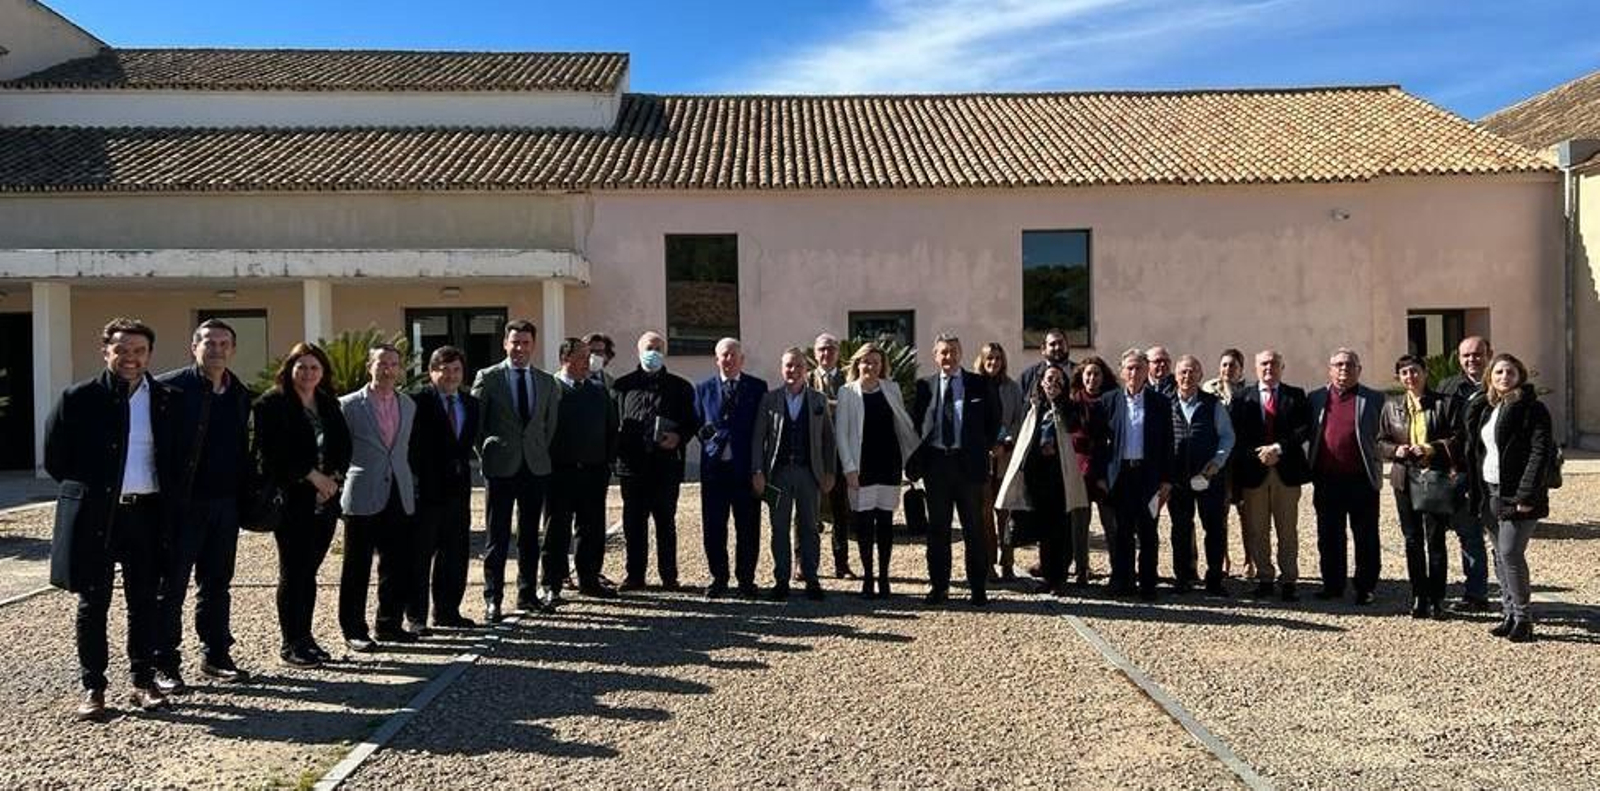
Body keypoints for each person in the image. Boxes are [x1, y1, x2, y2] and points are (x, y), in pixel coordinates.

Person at [45, 318, 182, 719]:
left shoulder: (167, 399)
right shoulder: (78, 398)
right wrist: (95, 489)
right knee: (93, 603)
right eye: (121, 350)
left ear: (149, 354)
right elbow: (56, 459)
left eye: (139, 350)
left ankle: (142, 681)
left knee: (145, 602)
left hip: (147, 515)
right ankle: (94, 687)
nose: (130, 358)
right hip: (98, 516)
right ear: (106, 351)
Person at [152, 319, 254, 692]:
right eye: (209, 343)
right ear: (193, 347)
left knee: (216, 584)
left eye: (224, 343)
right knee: (171, 586)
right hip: (182, 505)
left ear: (233, 350)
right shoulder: (169, 389)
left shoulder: (240, 392)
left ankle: (216, 655)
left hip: (225, 504)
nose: (217, 349)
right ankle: (164, 663)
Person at [253, 343, 351, 669]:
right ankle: (291, 643)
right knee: (293, 571)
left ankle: (306, 638)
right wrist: (312, 477)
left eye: (314, 367)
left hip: (326, 500)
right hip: (292, 500)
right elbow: (271, 453)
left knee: (310, 571)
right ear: (290, 369)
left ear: (323, 372)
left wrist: (333, 479)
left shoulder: (328, 403)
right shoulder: (272, 404)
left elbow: (343, 445)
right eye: (302, 367)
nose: (308, 373)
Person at [472, 320, 561, 621]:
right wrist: (488, 453)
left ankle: (527, 594)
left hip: (534, 466)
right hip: (500, 466)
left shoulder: (546, 381)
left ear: (533, 345)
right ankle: (493, 599)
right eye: (515, 342)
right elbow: (477, 424)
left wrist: (536, 450)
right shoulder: (488, 378)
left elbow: (549, 425)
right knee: (497, 537)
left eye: (525, 343)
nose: (520, 348)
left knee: (529, 535)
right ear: (505, 344)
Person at [1463, 353, 1553, 643]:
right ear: (1490, 377)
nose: (1504, 377)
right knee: (1499, 554)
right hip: (1490, 490)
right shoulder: (1489, 408)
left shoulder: (1532, 408)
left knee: (1511, 553)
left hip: (1517, 494)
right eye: (1499, 372)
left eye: (1510, 372)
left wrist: (1526, 494)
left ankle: (1524, 619)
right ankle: (1509, 613)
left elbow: (1540, 452)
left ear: (1520, 376)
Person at [338, 344, 419, 650]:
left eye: (394, 364)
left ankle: (389, 624)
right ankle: (354, 629)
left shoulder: (408, 404)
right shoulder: (348, 405)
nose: (388, 370)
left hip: (399, 490)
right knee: (357, 566)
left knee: (397, 563)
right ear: (369, 366)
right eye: (382, 363)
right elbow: (337, 450)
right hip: (362, 492)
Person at [911, 333, 1002, 606]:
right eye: (943, 352)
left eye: (953, 351)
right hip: (937, 465)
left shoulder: (979, 384)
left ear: (960, 353)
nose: (948, 356)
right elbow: (916, 424)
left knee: (973, 528)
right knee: (938, 529)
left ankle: (978, 588)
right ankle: (939, 587)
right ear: (935, 356)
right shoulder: (924, 386)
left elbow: (994, 420)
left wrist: (979, 447)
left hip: (969, 466)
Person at [1377, 354, 1462, 619]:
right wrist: (1396, 450)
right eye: (1404, 373)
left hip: (1433, 477)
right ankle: (1418, 596)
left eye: (1414, 371)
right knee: (1412, 539)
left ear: (1425, 372)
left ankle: (1437, 598)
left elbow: (1458, 438)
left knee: (1435, 539)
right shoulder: (1391, 407)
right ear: (1399, 377)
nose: (1410, 377)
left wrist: (1431, 448)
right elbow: (1380, 442)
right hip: (1404, 478)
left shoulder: (1445, 404)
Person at [612, 331, 698, 591]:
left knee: (665, 523)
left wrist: (679, 437)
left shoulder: (681, 387)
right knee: (633, 524)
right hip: (632, 468)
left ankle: (669, 576)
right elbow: (613, 423)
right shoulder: (622, 386)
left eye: (658, 348)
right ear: (639, 351)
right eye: (649, 348)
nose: (654, 353)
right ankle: (635, 576)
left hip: (666, 466)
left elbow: (691, 422)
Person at [996, 365, 1091, 595]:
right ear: (1041, 383)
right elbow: (1025, 437)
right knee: (1043, 530)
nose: (1053, 384)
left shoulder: (1070, 408)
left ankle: (1060, 577)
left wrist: (1058, 407)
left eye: (1058, 380)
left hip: (1060, 478)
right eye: (1049, 379)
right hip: (1037, 477)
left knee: (1061, 529)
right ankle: (1048, 576)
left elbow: (1074, 430)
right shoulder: (1034, 408)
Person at [835, 342, 921, 598]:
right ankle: (868, 578)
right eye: (866, 362)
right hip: (861, 466)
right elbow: (841, 434)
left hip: (888, 464)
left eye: (875, 362)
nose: (870, 367)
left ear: (882, 365)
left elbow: (902, 424)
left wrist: (911, 457)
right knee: (864, 525)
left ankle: (884, 578)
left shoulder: (892, 388)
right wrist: (849, 469)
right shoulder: (846, 392)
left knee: (885, 523)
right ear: (858, 364)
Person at [753, 347, 837, 600]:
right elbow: (758, 439)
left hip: (809, 473)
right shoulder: (769, 399)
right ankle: (781, 580)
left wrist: (830, 472)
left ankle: (812, 578)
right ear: (782, 369)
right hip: (777, 475)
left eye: (798, 366)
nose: (794, 370)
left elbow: (828, 440)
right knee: (779, 527)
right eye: (789, 365)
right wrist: (757, 471)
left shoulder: (819, 400)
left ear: (806, 369)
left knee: (810, 526)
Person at [408, 346, 481, 629]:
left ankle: (447, 612)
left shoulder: (471, 403)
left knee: (454, 553)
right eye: (444, 370)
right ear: (431, 372)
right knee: (419, 555)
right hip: (425, 490)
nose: (451, 375)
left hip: (458, 490)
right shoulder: (416, 402)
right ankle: (416, 617)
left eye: (456, 370)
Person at [543, 338, 620, 602]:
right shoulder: (550, 389)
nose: (588, 362)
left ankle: (589, 579)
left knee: (592, 529)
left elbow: (611, 428)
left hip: (593, 472)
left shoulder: (598, 391)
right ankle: (552, 583)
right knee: (556, 529)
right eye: (582, 357)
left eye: (589, 357)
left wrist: (606, 462)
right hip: (559, 472)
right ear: (565, 359)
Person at [1094, 348, 1175, 599]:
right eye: (1129, 368)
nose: (1134, 373)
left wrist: (1166, 480)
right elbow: (1099, 443)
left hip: (1148, 477)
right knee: (1122, 532)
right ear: (1121, 372)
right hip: (1120, 477)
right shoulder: (1108, 402)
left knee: (1148, 532)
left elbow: (1168, 443)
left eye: (1139, 368)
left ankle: (1148, 584)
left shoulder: (1160, 403)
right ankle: (1123, 581)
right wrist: (1101, 476)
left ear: (1146, 371)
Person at [1230, 349, 1311, 601]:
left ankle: (1289, 580)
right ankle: (1265, 578)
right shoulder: (1242, 397)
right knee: (1257, 529)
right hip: (1253, 473)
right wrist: (1259, 454)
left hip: (1286, 472)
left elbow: (1303, 430)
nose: (1269, 368)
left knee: (1287, 530)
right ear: (1255, 368)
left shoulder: (1295, 395)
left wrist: (1277, 448)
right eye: (1264, 363)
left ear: (1281, 367)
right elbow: (1235, 434)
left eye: (1274, 363)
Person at [1307, 348, 1384, 605]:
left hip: (1361, 479)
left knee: (1366, 536)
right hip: (1327, 479)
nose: (1344, 369)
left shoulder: (1374, 399)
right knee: (1329, 535)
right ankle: (1333, 585)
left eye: (1350, 365)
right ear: (1330, 369)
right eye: (1338, 365)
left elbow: (1384, 436)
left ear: (1359, 370)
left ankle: (1365, 586)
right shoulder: (1316, 398)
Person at [694, 338, 769, 598]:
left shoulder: (757, 388)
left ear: (742, 359)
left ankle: (746, 580)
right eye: (724, 355)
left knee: (748, 527)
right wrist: (712, 439)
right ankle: (719, 578)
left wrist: (759, 469)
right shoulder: (703, 389)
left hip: (745, 470)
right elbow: (697, 425)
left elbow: (762, 429)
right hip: (715, 470)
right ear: (717, 359)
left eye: (733, 355)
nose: (728, 360)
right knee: (714, 527)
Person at [1168, 356, 1236, 595]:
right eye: (1183, 372)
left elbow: (1227, 436)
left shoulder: (1212, 404)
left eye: (1192, 371)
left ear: (1200, 375)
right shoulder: (1166, 403)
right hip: (1177, 478)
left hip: (1209, 477)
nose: (1187, 376)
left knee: (1214, 528)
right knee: (1180, 529)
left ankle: (1215, 579)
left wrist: (1217, 462)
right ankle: (1183, 577)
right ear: (1176, 375)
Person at [1437, 335, 1493, 612]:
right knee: (1469, 535)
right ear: (1459, 359)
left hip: (1492, 475)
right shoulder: (1447, 388)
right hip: (1459, 473)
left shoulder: (1502, 384)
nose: (1472, 360)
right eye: (1466, 355)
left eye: (1477, 354)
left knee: (1500, 541)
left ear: (1489, 354)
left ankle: (1512, 599)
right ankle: (1476, 595)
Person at [973, 342, 1026, 580]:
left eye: (997, 358)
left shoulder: (1012, 388)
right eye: (989, 358)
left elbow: (1018, 420)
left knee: (1006, 514)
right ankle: (988, 564)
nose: (993, 362)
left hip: (1006, 458)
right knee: (984, 514)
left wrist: (1005, 444)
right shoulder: (974, 386)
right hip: (981, 459)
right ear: (982, 361)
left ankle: (1008, 562)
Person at [1065, 355, 1116, 585]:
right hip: (1080, 471)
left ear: (1103, 377)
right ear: (1081, 376)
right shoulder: (1073, 401)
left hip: (1104, 470)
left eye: (1096, 374)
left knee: (1111, 522)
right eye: (1088, 374)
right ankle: (1081, 569)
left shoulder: (1112, 401)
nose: (1092, 378)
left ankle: (1118, 567)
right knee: (1079, 524)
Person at [808, 332, 855, 580]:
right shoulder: (806, 379)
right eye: (822, 349)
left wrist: (829, 404)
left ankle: (842, 564)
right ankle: (803, 563)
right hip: (812, 454)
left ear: (838, 353)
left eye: (831, 349)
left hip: (841, 454)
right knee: (805, 511)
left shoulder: (849, 380)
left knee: (840, 511)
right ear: (815, 353)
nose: (826, 354)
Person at [1203, 348, 1250, 579]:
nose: (1227, 369)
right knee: (1219, 513)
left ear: (1241, 370)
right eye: (1224, 365)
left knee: (1247, 513)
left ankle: (1250, 558)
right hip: (1220, 461)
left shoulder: (1249, 393)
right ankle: (1223, 558)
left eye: (1233, 365)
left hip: (1243, 461)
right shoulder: (1209, 391)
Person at [1018, 328, 1073, 395]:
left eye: (1060, 343)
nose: (1057, 347)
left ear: (1068, 346)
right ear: (1043, 349)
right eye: (1052, 344)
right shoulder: (1029, 376)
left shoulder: (1080, 373)